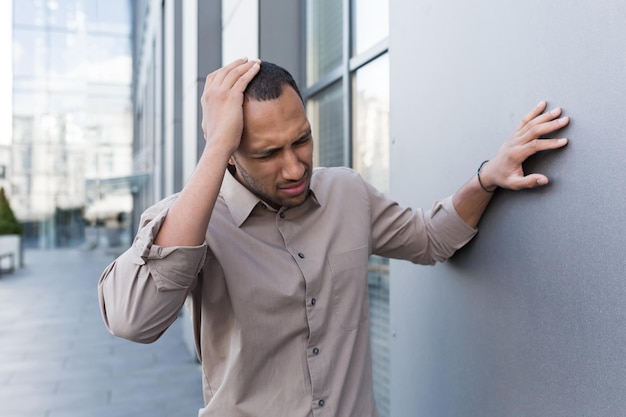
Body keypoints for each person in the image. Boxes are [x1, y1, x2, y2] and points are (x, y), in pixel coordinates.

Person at [98, 58, 569, 416]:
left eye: (301, 139)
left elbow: (430, 238)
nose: (294, 167)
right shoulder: (191, 220)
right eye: (267, 153)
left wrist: (487, 177)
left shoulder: (346, 191)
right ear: (229, 155)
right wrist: (216, 143)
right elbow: (133, 320)